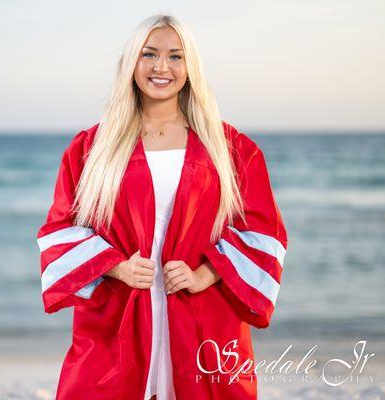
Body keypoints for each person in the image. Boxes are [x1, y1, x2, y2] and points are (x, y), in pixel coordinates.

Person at [36, 13, 288, 400]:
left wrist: (207, 274)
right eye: (149, 54)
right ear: (131, 63)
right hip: (119, 315)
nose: (161, 67)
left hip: (201, 315)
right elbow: (59, 231)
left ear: (191, 67)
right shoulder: (92, 149)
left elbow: (264, 230)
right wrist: (116, 267)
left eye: (175, 56)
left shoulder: (230, 148)